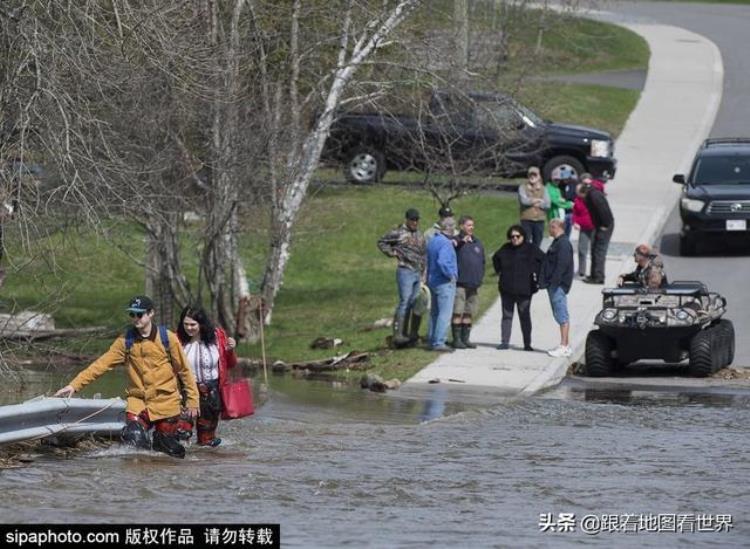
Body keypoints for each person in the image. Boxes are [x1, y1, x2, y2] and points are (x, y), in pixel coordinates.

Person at [54, 295, 200, 458]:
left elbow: (185, 371)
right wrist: (74, 385)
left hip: (166, 402)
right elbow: (101, 365)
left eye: (140, 314)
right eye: (132, 314)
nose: (135, 318)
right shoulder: (125, 341)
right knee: (135, 443)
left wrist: (193, 401)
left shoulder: (168, 338)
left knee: (168, 451)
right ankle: (136, 481)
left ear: (151, 313)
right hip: (138, 403)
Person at [176, 305, 237, 447]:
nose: (188, 328)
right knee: (181, 433)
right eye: (185, 324)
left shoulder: (218, 336)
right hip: (186, 392)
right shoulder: (177, 339)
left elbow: (231, 364)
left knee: (207, 439)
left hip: (211, 392)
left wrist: (230, 351)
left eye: (192, 324)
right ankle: (180, 467)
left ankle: (207, 466)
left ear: (202, 324)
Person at [377, 208, 426, 347]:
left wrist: (424, 273)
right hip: (405, 270)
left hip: (418, 272)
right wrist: (391, 253)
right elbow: (381, 242)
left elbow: (424, 254)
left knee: (415, 302)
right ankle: (398, 334)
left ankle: (411, 333)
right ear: (407, 219)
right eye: (412, 220)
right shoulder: (398, 233)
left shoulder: (420, 235)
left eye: (417, 220)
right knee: (404, 301)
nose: (415, 222)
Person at [491, 224, 545, 351]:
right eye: (512, 236)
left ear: (523, 236)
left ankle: (527, 343)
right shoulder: (505, 248)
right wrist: (499, 271)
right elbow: (496, 258)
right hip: (507, 288)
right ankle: (504, 341)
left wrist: (537, 276)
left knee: (524, 316)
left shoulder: (531, 249)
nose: (514, 239)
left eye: (517, 236)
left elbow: (543, 260)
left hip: (525, 289)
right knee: (507, 315)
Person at [539, 219, 574, 358]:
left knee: (561, 314)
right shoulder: (557, 242)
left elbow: (562, 265)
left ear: (557, 227)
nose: (549, 230)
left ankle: (564, 345)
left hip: (558, 286)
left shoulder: (563, 244)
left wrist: (554, 282)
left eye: (551, 227)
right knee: (558, 313)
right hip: (553, 285)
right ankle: (564, 344)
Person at [451, 215, 485, 349]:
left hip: (474, 283)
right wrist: (461, 242)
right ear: (461, 226)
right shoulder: (456, 241)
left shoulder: (477, 242)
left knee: (469, 312)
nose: (472, 227)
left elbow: (482, 261)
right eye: (469, 225)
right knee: (458, 311)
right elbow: (451, 250)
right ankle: (456, 339)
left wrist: (480, 277)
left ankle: (466, 339)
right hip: (460, 283)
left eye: (472, 225)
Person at [426, 217, 458, 352]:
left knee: (434, 312)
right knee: (445, 313)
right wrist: (451, 275)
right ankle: (439, 341)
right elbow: (443, 262)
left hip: (432, 280)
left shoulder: (433, 240)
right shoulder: (446, 243)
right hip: (444, 282)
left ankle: (432, 338)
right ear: (449, 229)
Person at [580, 182, 614, 284]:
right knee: (594, 249)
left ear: (583, 192)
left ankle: (599, 277)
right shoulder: (592, 195)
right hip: (599, 225)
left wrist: (605, 225)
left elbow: (603, 210)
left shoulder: (594, 196)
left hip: (604, 226)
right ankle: (594, 274)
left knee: (599, 251)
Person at [518, 166, 550, 247]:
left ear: (539, 176)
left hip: (539, 220)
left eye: (535, 175)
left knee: (537, 242)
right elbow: (523, 201)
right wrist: (538, 200)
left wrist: (537, 203)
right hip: (526, 219)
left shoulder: (544, 188)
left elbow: (547, 204)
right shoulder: (522, 187)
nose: (532, 177)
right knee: (525, 242)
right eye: (530, 175)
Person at [572, 182, 595, 279]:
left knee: (595, 251)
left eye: (579, 191)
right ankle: (581, 271)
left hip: (594, 227)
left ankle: (594, 272)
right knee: (582, 250)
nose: (577, 193)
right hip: (583, 228)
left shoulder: (592, 199)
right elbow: (575, 213)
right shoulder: (577, 201)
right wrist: (575, 222)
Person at [546, 169, 574, 235]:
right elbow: (555, 201)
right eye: (555, 179)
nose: (557, 181)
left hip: (560, 214)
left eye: (558, 180)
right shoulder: (549, 187)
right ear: (551, 178)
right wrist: (569, 204)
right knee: (555, 234)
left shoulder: (557, 188)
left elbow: (559, 200)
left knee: (562, 234)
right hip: (553, 214)